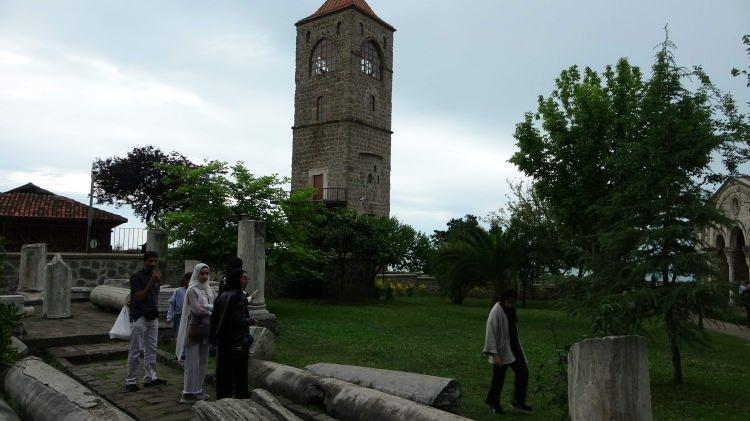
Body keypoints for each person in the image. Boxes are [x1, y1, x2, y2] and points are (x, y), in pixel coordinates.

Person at [211, 269, 258, 399]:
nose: (246, 280)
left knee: (224, 371)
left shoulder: (223, 294)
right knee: (239, 371)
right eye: (243, 278)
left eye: (246, 278)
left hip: (224, 338)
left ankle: (223, 396)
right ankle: (241, 396)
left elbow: (215, 318)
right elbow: (238, 320)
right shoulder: (239, 296)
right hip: (237, 339)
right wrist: (251, 320)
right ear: (236, 279)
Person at [483, 289, 532, 414]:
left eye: (512, 302)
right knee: (498, 378)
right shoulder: (496, 311)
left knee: (523, 372)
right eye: (508, 302)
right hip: (500, 351)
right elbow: (490, 332)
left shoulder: (511, 310)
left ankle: (518, 401)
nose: (510, 305)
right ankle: (493, 404)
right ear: (502, 300)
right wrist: (494, 354)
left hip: (514, 348)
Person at [125, 251, 167, 392]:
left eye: (155, 261)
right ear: (144, 261)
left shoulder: (155, 277)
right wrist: (151, 282)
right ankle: (130, 381)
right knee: (136, 349)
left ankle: (150, 377)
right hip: (139, 316)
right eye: (150, 261)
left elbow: (154, 296)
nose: (153, 264)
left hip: (152, 316)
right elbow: (139, 297)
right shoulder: (136, 277)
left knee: (152, 349)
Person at [176, 263, 217, 404]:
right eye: (202, 273)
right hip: (194, 330)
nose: (205, 276)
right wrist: (211, 310)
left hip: (206, 330)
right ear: (197, 274)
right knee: (192, 362)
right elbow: (197, 310)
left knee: (203, 361)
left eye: (207, 273)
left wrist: (208, 308)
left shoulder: (209, 290)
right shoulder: (192, 291)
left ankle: (198, 390)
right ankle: (188, 393)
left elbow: (217, 305)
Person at [167, 272, 191, 361]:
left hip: (189, 316)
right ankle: (179, 353)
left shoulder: (193, 291)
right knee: (178, 335)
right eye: (188, 280)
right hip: (178, 315)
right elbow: (171, 303)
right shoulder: (178, 290)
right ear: (184, 281)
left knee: (187, 335)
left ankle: (185, 353)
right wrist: (169, 316)